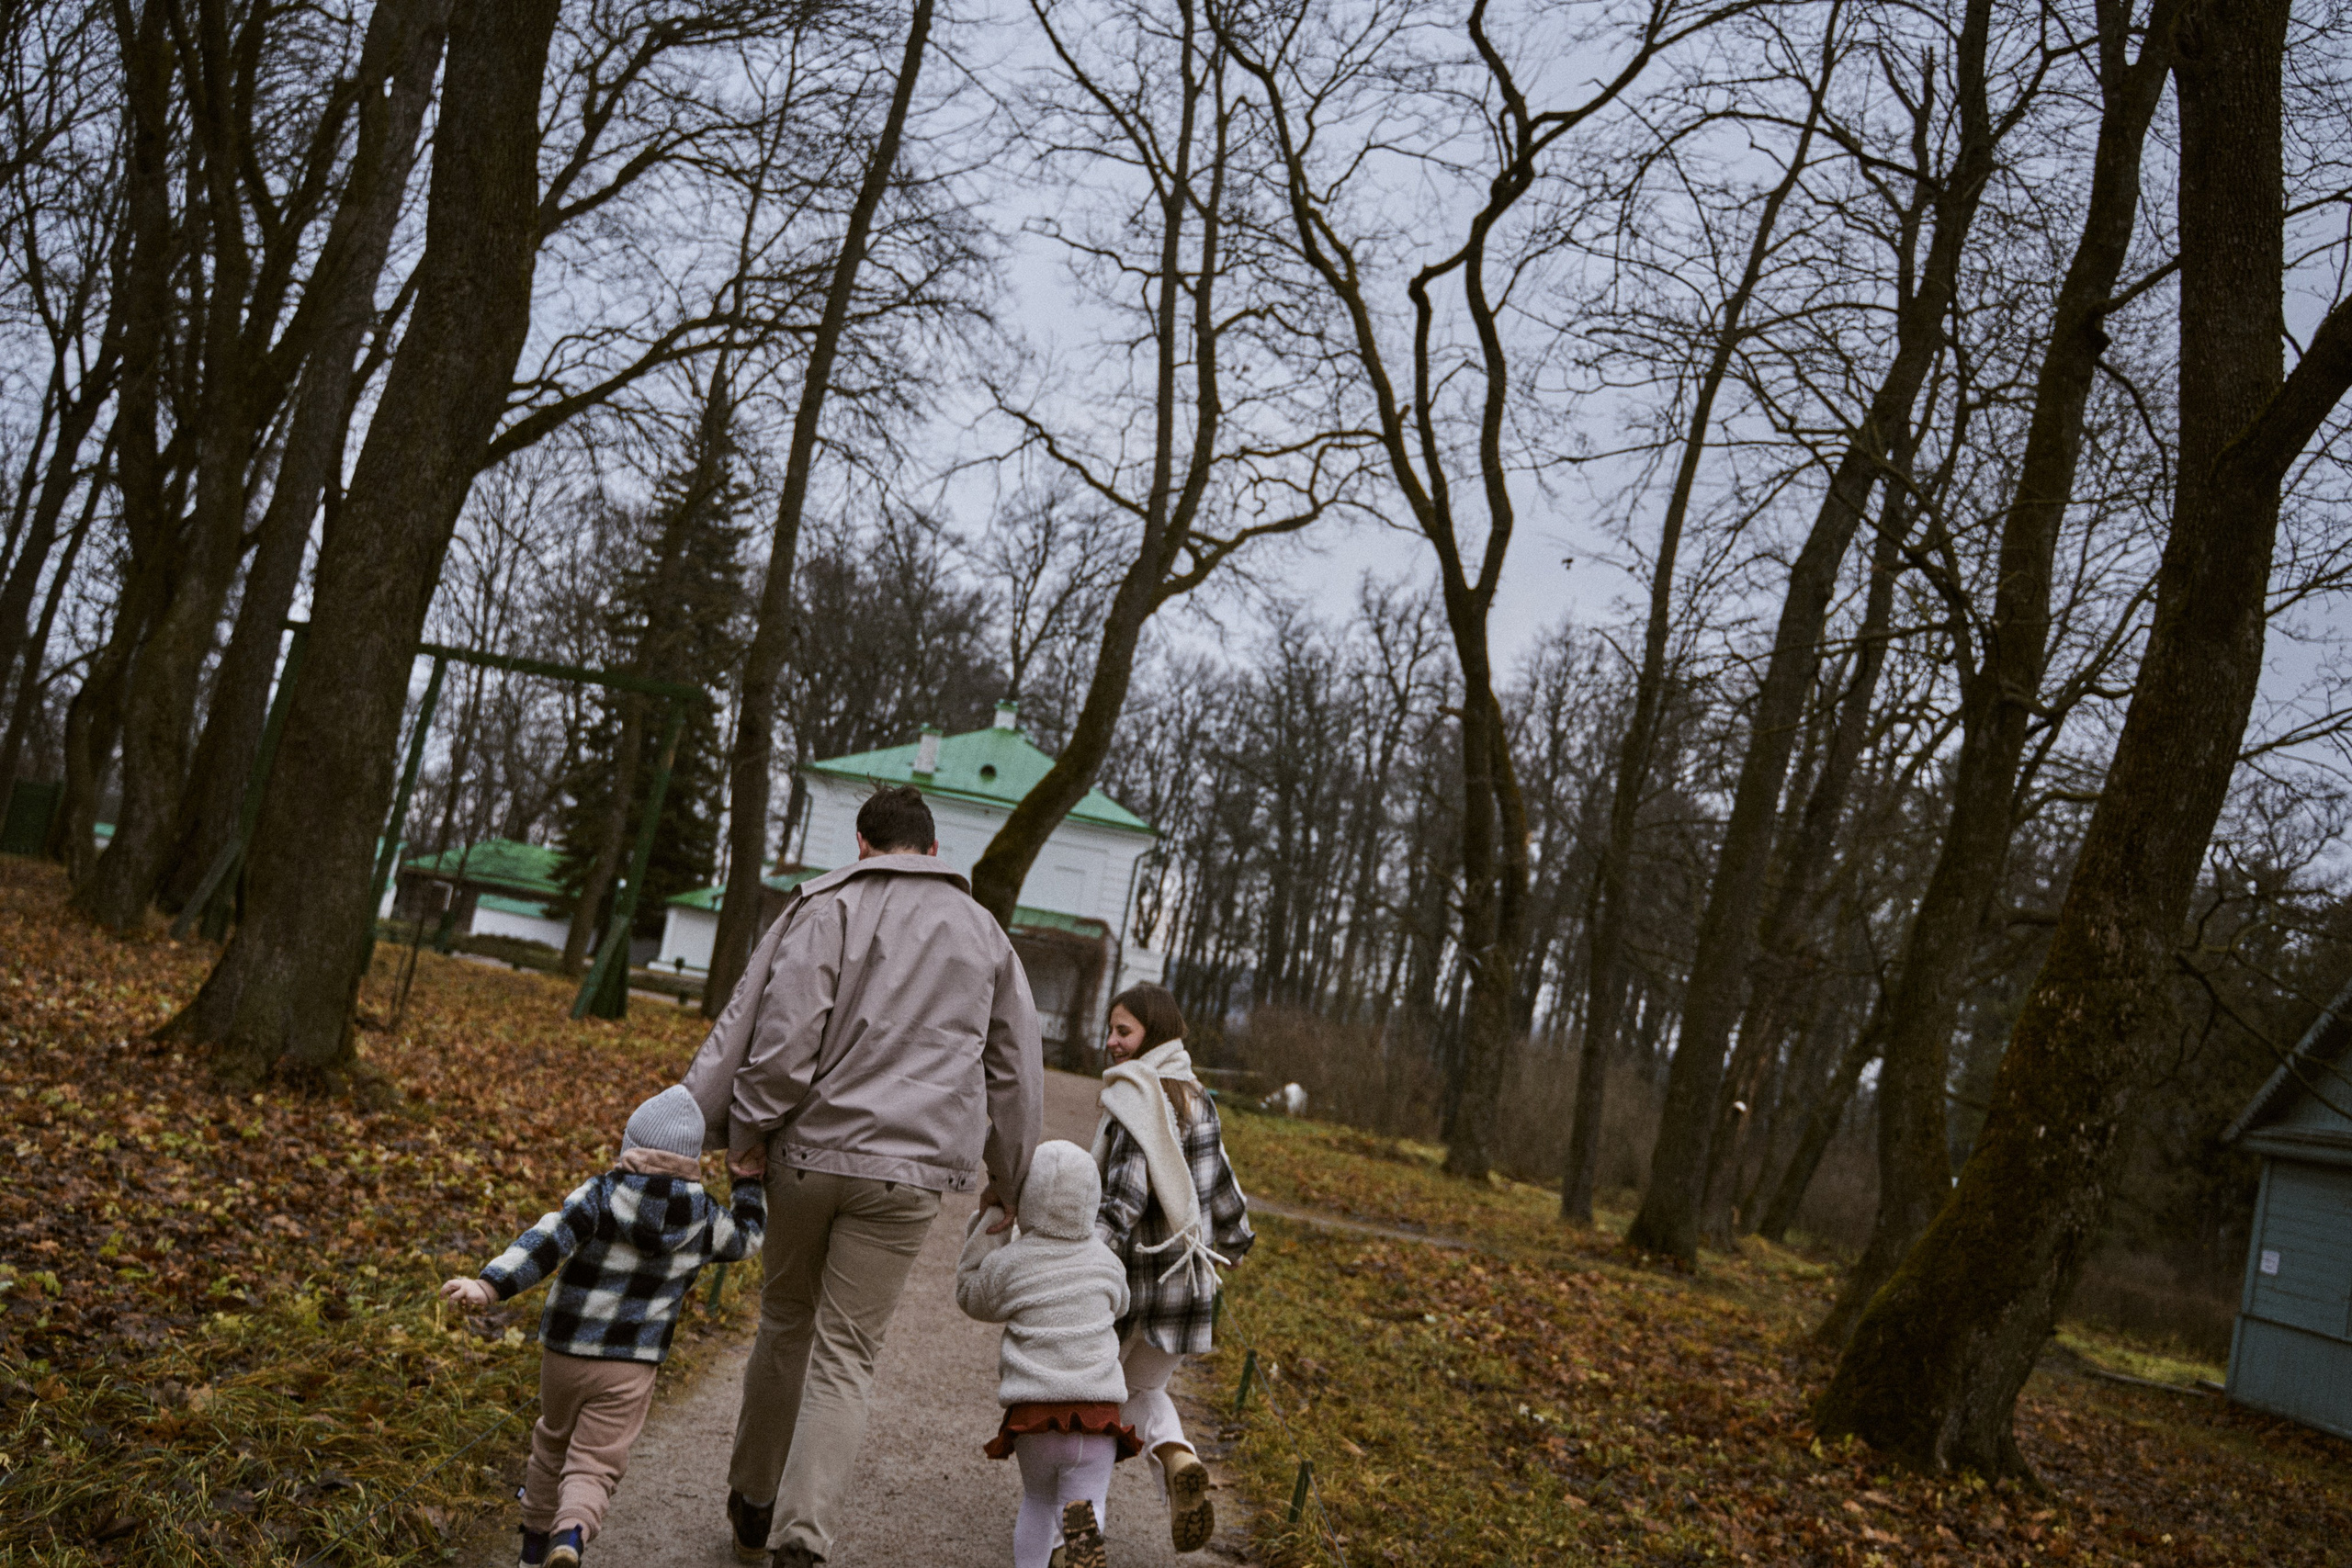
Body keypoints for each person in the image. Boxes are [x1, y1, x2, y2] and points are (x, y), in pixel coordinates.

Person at [682, 783, 1046, 1567]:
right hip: (906, 1180)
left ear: (861, 844)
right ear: (935, 850)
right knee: (848, 1351)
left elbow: (783, 1041)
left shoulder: (828, 908)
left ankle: (753, 1506)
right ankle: (803, 1538)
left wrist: (748, 1133)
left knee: (786, 1321)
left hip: (805, 1158)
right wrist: (1009, 1178)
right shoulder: (984, 933)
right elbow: (1016, 1068)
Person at [441, 1085, 766, 1568]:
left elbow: (547, 1240)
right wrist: (747, 1183)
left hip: (566, 1352)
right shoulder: (705, 1218)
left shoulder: (601, 1194)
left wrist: (488, 1285)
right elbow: (749, 1238)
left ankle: (532, 1549)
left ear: (630, 1145)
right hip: (632, 1365)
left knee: (552, 1442)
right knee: (595, 1462)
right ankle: (571, 1535)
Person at [1091, 983, 1254, 1554]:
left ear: (1152, 1034)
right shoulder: (1196, 1095)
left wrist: (1080, 1258)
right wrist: (1236, 1238)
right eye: (1111, 1029)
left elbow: (1124, 1199)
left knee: (1090, 1400)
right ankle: (1178, 1456)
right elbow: (1222, 1180)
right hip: (1189, 1283)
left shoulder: (1137, 1096)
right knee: (1142, 1390)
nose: (1112, 1042)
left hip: (1137, 1282)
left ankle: (1081, 1526)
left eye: (1124, 1031)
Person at [956, 1139, 1139, 1568]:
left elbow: (970, 1294)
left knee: (1037, 1501)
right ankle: (1083, 1527)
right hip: (1096, 1414)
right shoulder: (1107, 1262)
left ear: (1027, 1196)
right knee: (1087, 1501)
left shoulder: (1013, 1263)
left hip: (1036, 1415)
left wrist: (992, 1220)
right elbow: (1122, 1305)